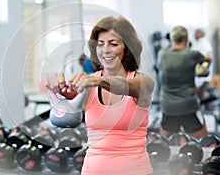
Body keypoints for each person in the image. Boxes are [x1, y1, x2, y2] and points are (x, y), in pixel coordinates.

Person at [45, 16, 154, 174]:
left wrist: (97, 80)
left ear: (128, 48)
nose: (105, 50)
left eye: (113, 44)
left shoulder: (143, 82)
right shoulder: (89, 85)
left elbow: (126, 86)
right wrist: (55, 84)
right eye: (100, 44)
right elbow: (65, 101)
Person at [158, 25, 210, 140]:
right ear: (186, 39)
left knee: (163, 143)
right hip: (188, 106)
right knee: (203, 142)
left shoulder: (162, 55)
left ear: (172, 39)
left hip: (168, 107)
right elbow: (204, 72)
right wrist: (208, 61)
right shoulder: (193, 54)